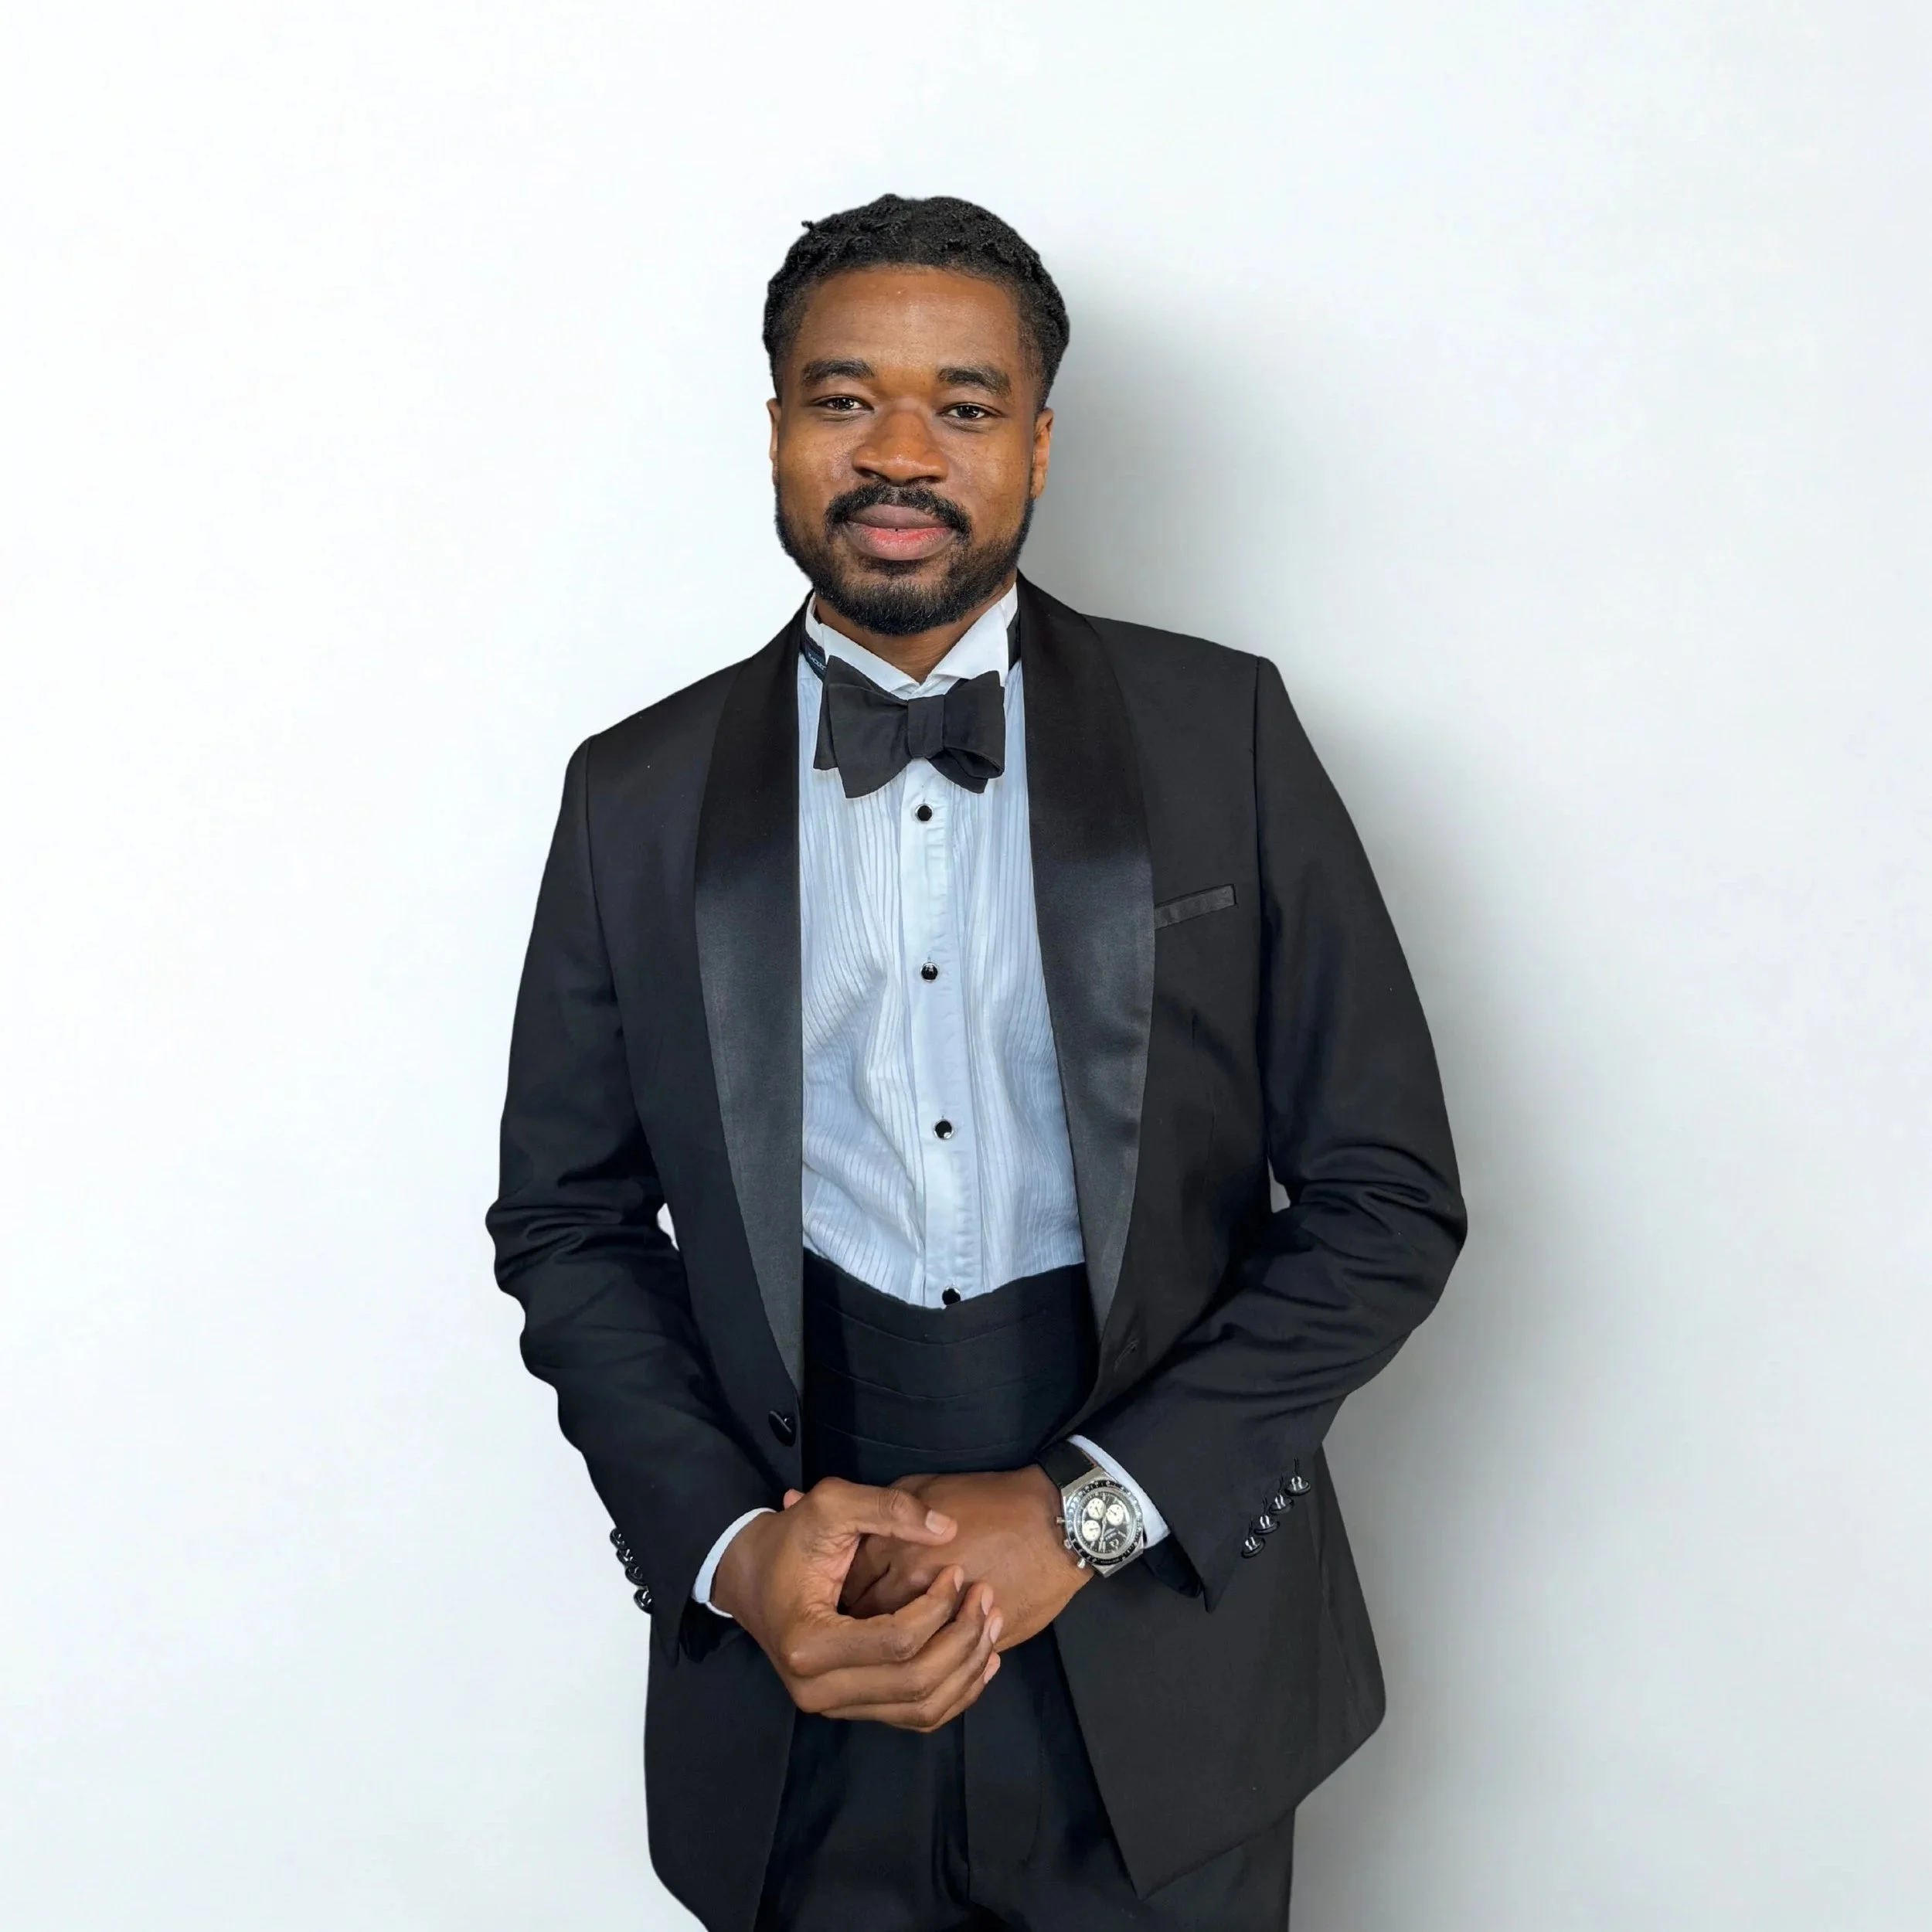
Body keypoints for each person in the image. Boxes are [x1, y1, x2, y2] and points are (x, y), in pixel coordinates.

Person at [487, 192, 1464, 1932]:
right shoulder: (627, 794)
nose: (898, 453)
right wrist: (732, 1547)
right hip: (805, 1624)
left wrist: (1088, 1512)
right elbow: (565, 1221)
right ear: (776, 423)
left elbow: (1383, 1197)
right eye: (841, 396)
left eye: (962, 402)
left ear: (1036, 439)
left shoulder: (1218, 729)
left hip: (1167, 1627)